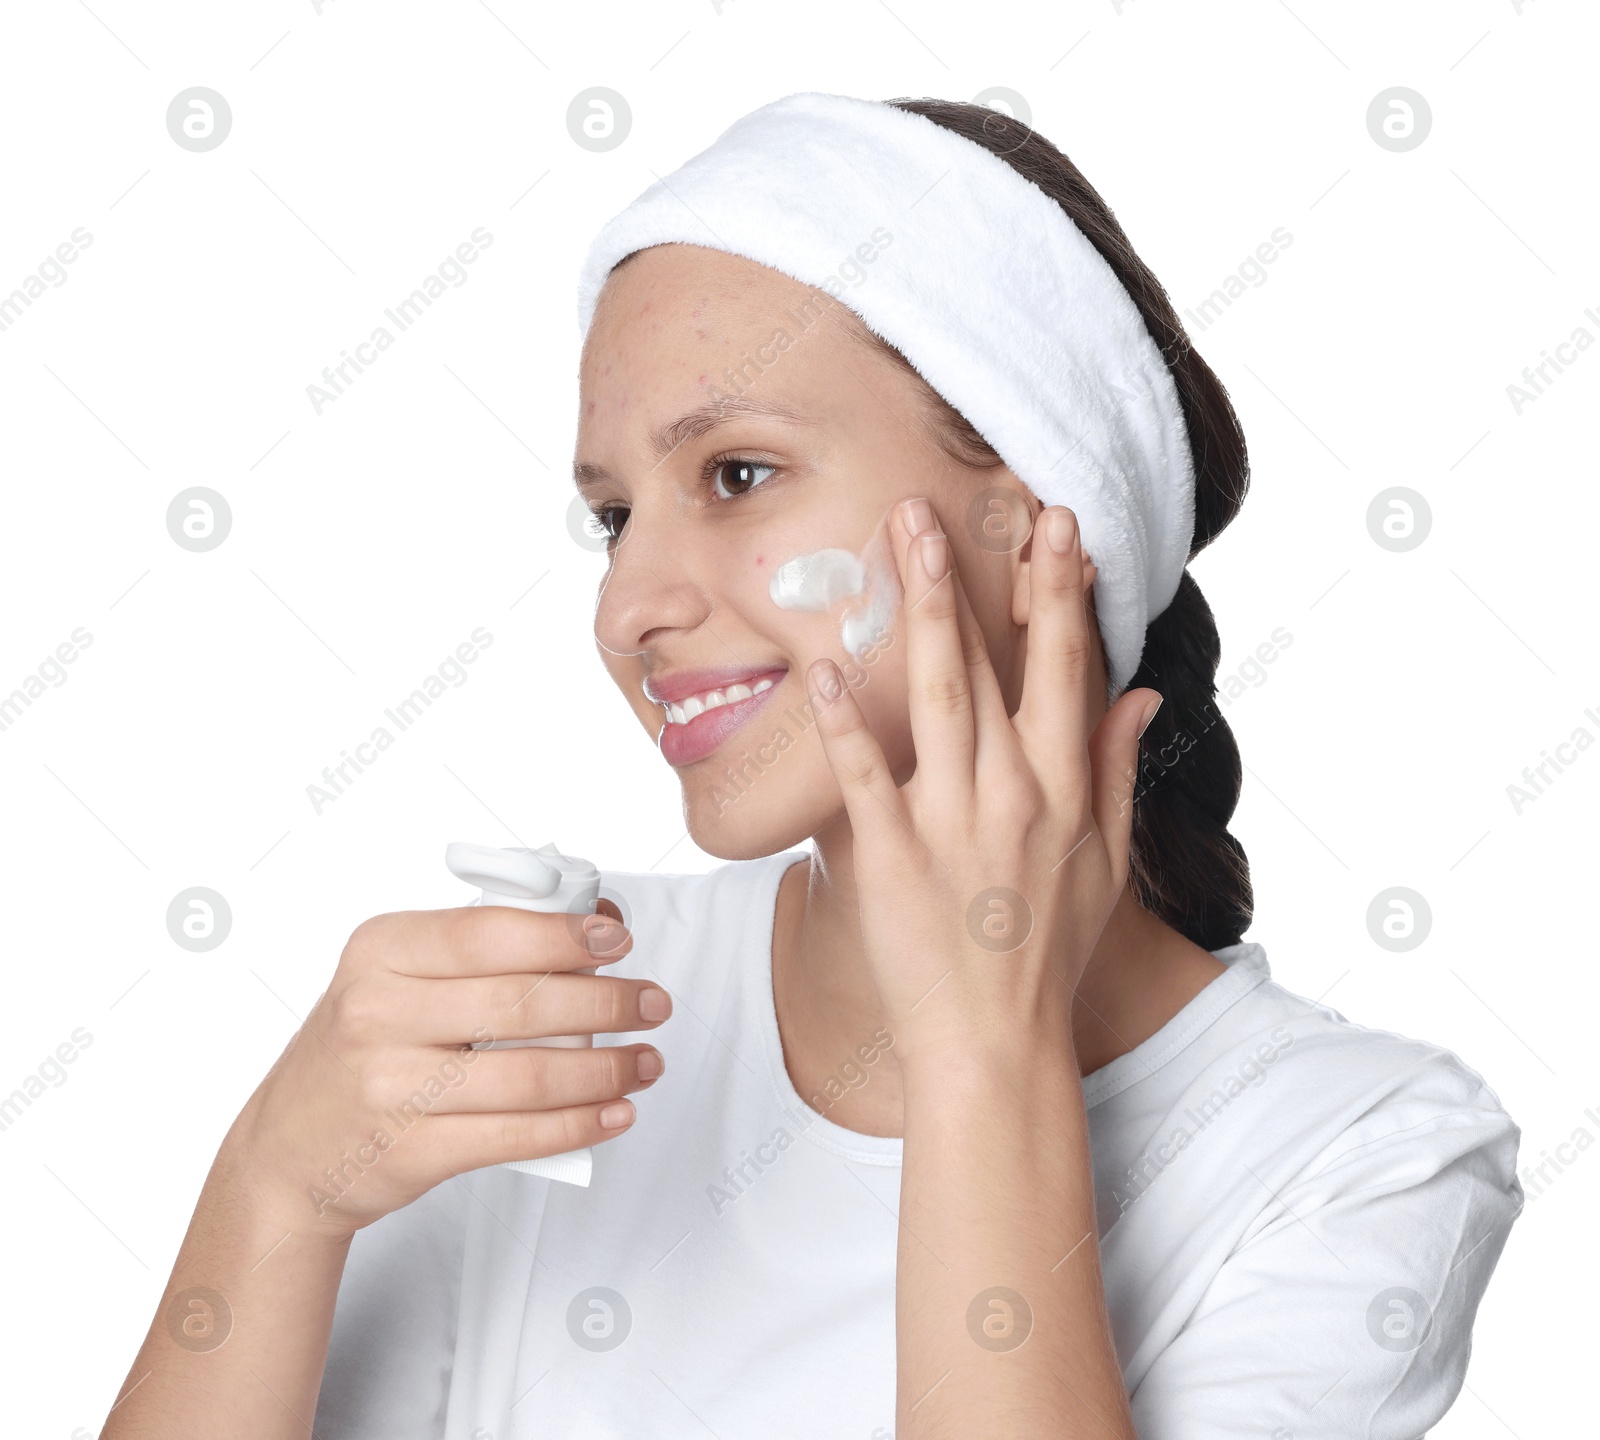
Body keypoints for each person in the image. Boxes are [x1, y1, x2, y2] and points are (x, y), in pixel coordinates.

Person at [103, 92, 1522, 1439]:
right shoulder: (557, 1016)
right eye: (612, 516)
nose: (627, 609)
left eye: (735, 475)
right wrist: (274, 1194)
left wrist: (981, 1047)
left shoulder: (1359, 1158)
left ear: (1037, 520)